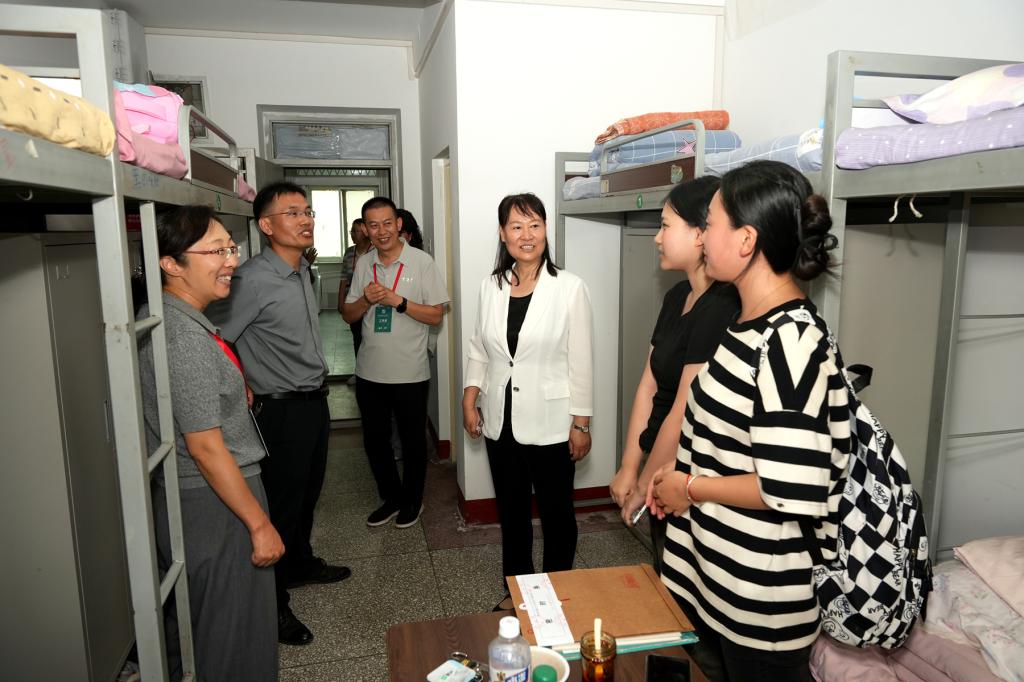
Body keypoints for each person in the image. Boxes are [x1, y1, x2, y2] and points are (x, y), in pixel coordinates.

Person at [647, 160, 848, 682]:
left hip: (761, 602)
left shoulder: (790, 342)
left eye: (710, 223)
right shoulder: (745, 324)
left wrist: (690, 487)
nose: (702, 235)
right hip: (722, 579)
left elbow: (792, 487)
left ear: (746, 240)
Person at [138, 205, 281, 681]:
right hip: (216, 500)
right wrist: (259, 524)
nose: (231, 260)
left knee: (211, 627)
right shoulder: (183, 335)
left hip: (203, 494)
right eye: (216, 251)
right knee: (233, 634)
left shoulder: (173, 317)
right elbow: (205, 447)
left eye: (230, 248)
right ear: (171, 263)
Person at [207, 181, 350, 647]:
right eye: (292, 213)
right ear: (266, 226)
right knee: (281, 505)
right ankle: (273, 603)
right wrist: (241, 382)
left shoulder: (303, 270)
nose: (306, 220)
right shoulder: (250, 280)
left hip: (314, 403)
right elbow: (216, 337)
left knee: (308, 494)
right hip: (280, 410)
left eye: (308, 211)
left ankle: (301, 563)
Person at [609, 177, 739, 574]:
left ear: (700, 234)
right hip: (660, 466)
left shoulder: (722, 306)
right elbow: (649, 384)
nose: (657, 237)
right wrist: (630, 466)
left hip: (690, 474)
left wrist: (644, 483)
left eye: (665, 226)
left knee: (682, 582)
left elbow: (684, 407)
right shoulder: (677, 296)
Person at [462, 193, 594, 579]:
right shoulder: (491, 286)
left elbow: (581, 361)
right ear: (502, 233)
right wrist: (470, 399)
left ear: (546, 230)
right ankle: (518, 590)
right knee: (512, 512)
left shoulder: (569, 287)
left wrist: (581, 423)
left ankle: (558, 591)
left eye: (535, 225)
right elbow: (479, 348)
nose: (527, 235)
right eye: (517, 226)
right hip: (499, 422)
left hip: (552, 423)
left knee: (557, 514)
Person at [341, 196, 449, 528]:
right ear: (365, 229)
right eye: (373, 225)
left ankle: (413, 501)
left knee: (413, 441)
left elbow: (436, 315)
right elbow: (348, 315)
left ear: (398, 224)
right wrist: (365, 299)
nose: (382, 231)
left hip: (410, 373)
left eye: (387, 223)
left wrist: (399, 301)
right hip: (369, 371)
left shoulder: (421, 262)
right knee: (375, 441)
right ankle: (391, 497)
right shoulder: (364, 263)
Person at [338, 218, 373, 366]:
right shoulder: (349, 252)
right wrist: (341, 302)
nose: (352, 234)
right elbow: (343, 278)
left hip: (370, 304)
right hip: (352, 303)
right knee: (357, 337)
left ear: (365, 232)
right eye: (351, 231)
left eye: (355, 231)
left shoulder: (375, 251)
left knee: (370, 339)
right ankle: (359, 370)